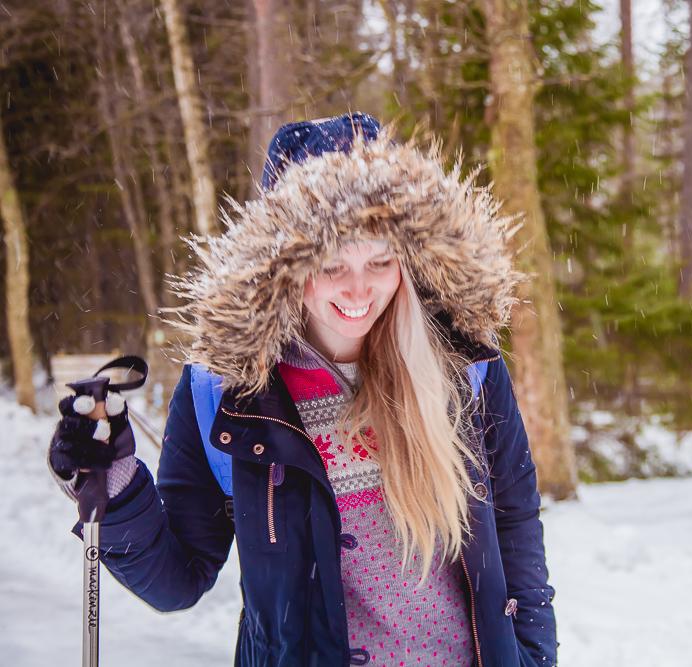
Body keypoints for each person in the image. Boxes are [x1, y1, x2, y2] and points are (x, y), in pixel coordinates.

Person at [48, 112, 557, 667]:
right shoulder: (225, 393)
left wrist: (532, 657)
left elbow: (516, 531)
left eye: (381, 260)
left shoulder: (464, 368)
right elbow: (179, 581)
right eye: (331, 263)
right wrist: (115, 487)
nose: (358, 288)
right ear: (283, 266)